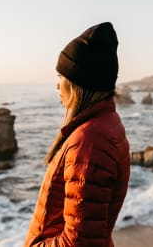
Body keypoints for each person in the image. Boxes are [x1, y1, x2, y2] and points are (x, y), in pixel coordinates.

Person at [24, 22, 131, 247]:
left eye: (60, 76)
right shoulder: (104, 125)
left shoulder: (89, 141)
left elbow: (78, 244)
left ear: (77, 84)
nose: (56, 86)